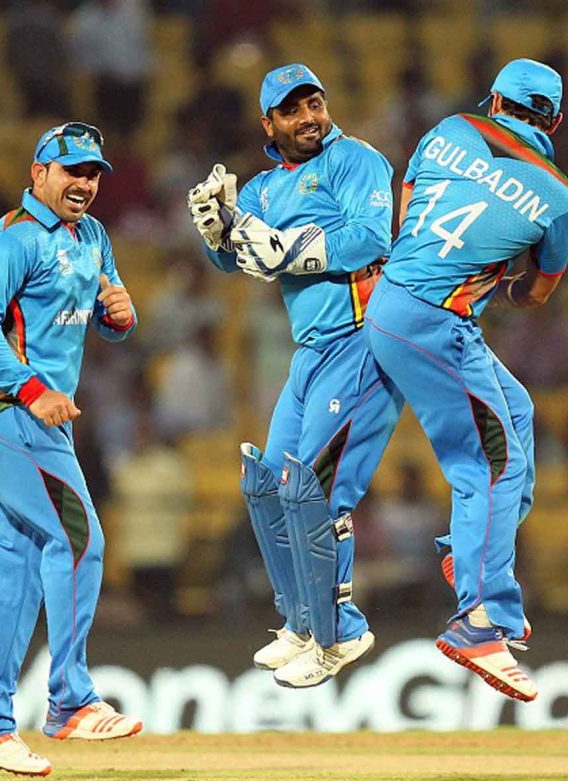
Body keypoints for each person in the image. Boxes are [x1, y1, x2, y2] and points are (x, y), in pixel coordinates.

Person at [366, 59, 568, 702]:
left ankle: (472, 554)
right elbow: (536, 294)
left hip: (398, 305)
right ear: (557, 122)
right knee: (492, 464)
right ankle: (477, 622)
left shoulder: (449, 130)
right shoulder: (563, 199)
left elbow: (407, 218)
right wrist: (500, 276)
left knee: (516, 413)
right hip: (435, 323)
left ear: (495, 100)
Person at [187, 64, 403, 688]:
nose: (309, 117)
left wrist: (289, 249)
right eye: (293, 110)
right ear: (269, 123)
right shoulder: (259, 188)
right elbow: (233, 260)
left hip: (362, 340)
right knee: (265, 484)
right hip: (309, 353)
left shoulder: (355, 161)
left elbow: (369, 240)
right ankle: (302, 624)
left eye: (316, 103)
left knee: (311, 489)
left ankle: (343, 630)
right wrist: (216, 232)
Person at [0, 122, 141, 776]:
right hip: (7, 413)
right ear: (38, 174)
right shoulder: (10, 239)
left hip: (40, 423)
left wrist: (119, 313)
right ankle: (70, 699)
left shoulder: (92, 236)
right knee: (79, 537)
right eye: (71, 171)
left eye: (93, 173)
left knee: (15, 565)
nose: (84, 184)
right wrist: (32, 390)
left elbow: (109, 316)